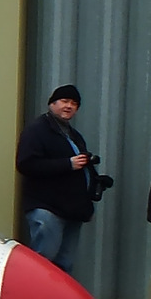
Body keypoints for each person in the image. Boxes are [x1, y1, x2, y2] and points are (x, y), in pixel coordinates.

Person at [16, 84, 101, 274]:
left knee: (64, 267)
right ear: (52, 103)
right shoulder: (37, 131)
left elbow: (79, 167)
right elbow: (26, 164)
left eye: (74, 103)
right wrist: (67, 164)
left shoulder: (73, 135)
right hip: (48, 210)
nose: (69, 106)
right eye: (64, 101)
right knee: (43, 263)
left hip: (72, 211)